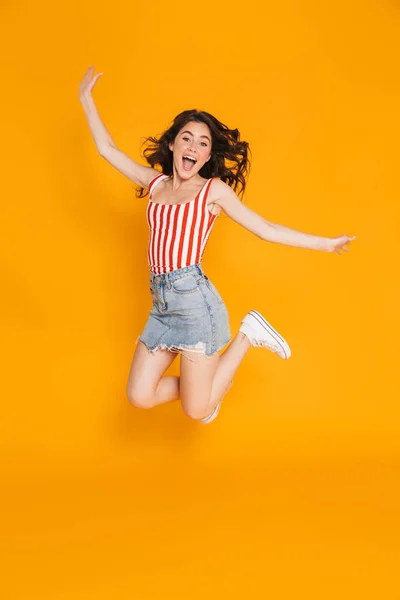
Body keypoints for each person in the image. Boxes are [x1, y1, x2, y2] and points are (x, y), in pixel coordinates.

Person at [79, 65, 356, 424]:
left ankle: (246, 336)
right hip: (161, 305)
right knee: (139, 395)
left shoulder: (212, 192)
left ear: (208, 157)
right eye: (187, 138)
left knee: (197, 410)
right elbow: (106, 148)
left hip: (195, 305)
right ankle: (205, 386)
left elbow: (266, 229)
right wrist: (86, 98)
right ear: (173, 144)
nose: (194, 146)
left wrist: (325, 244)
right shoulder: (156, 184)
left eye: (203, 143)